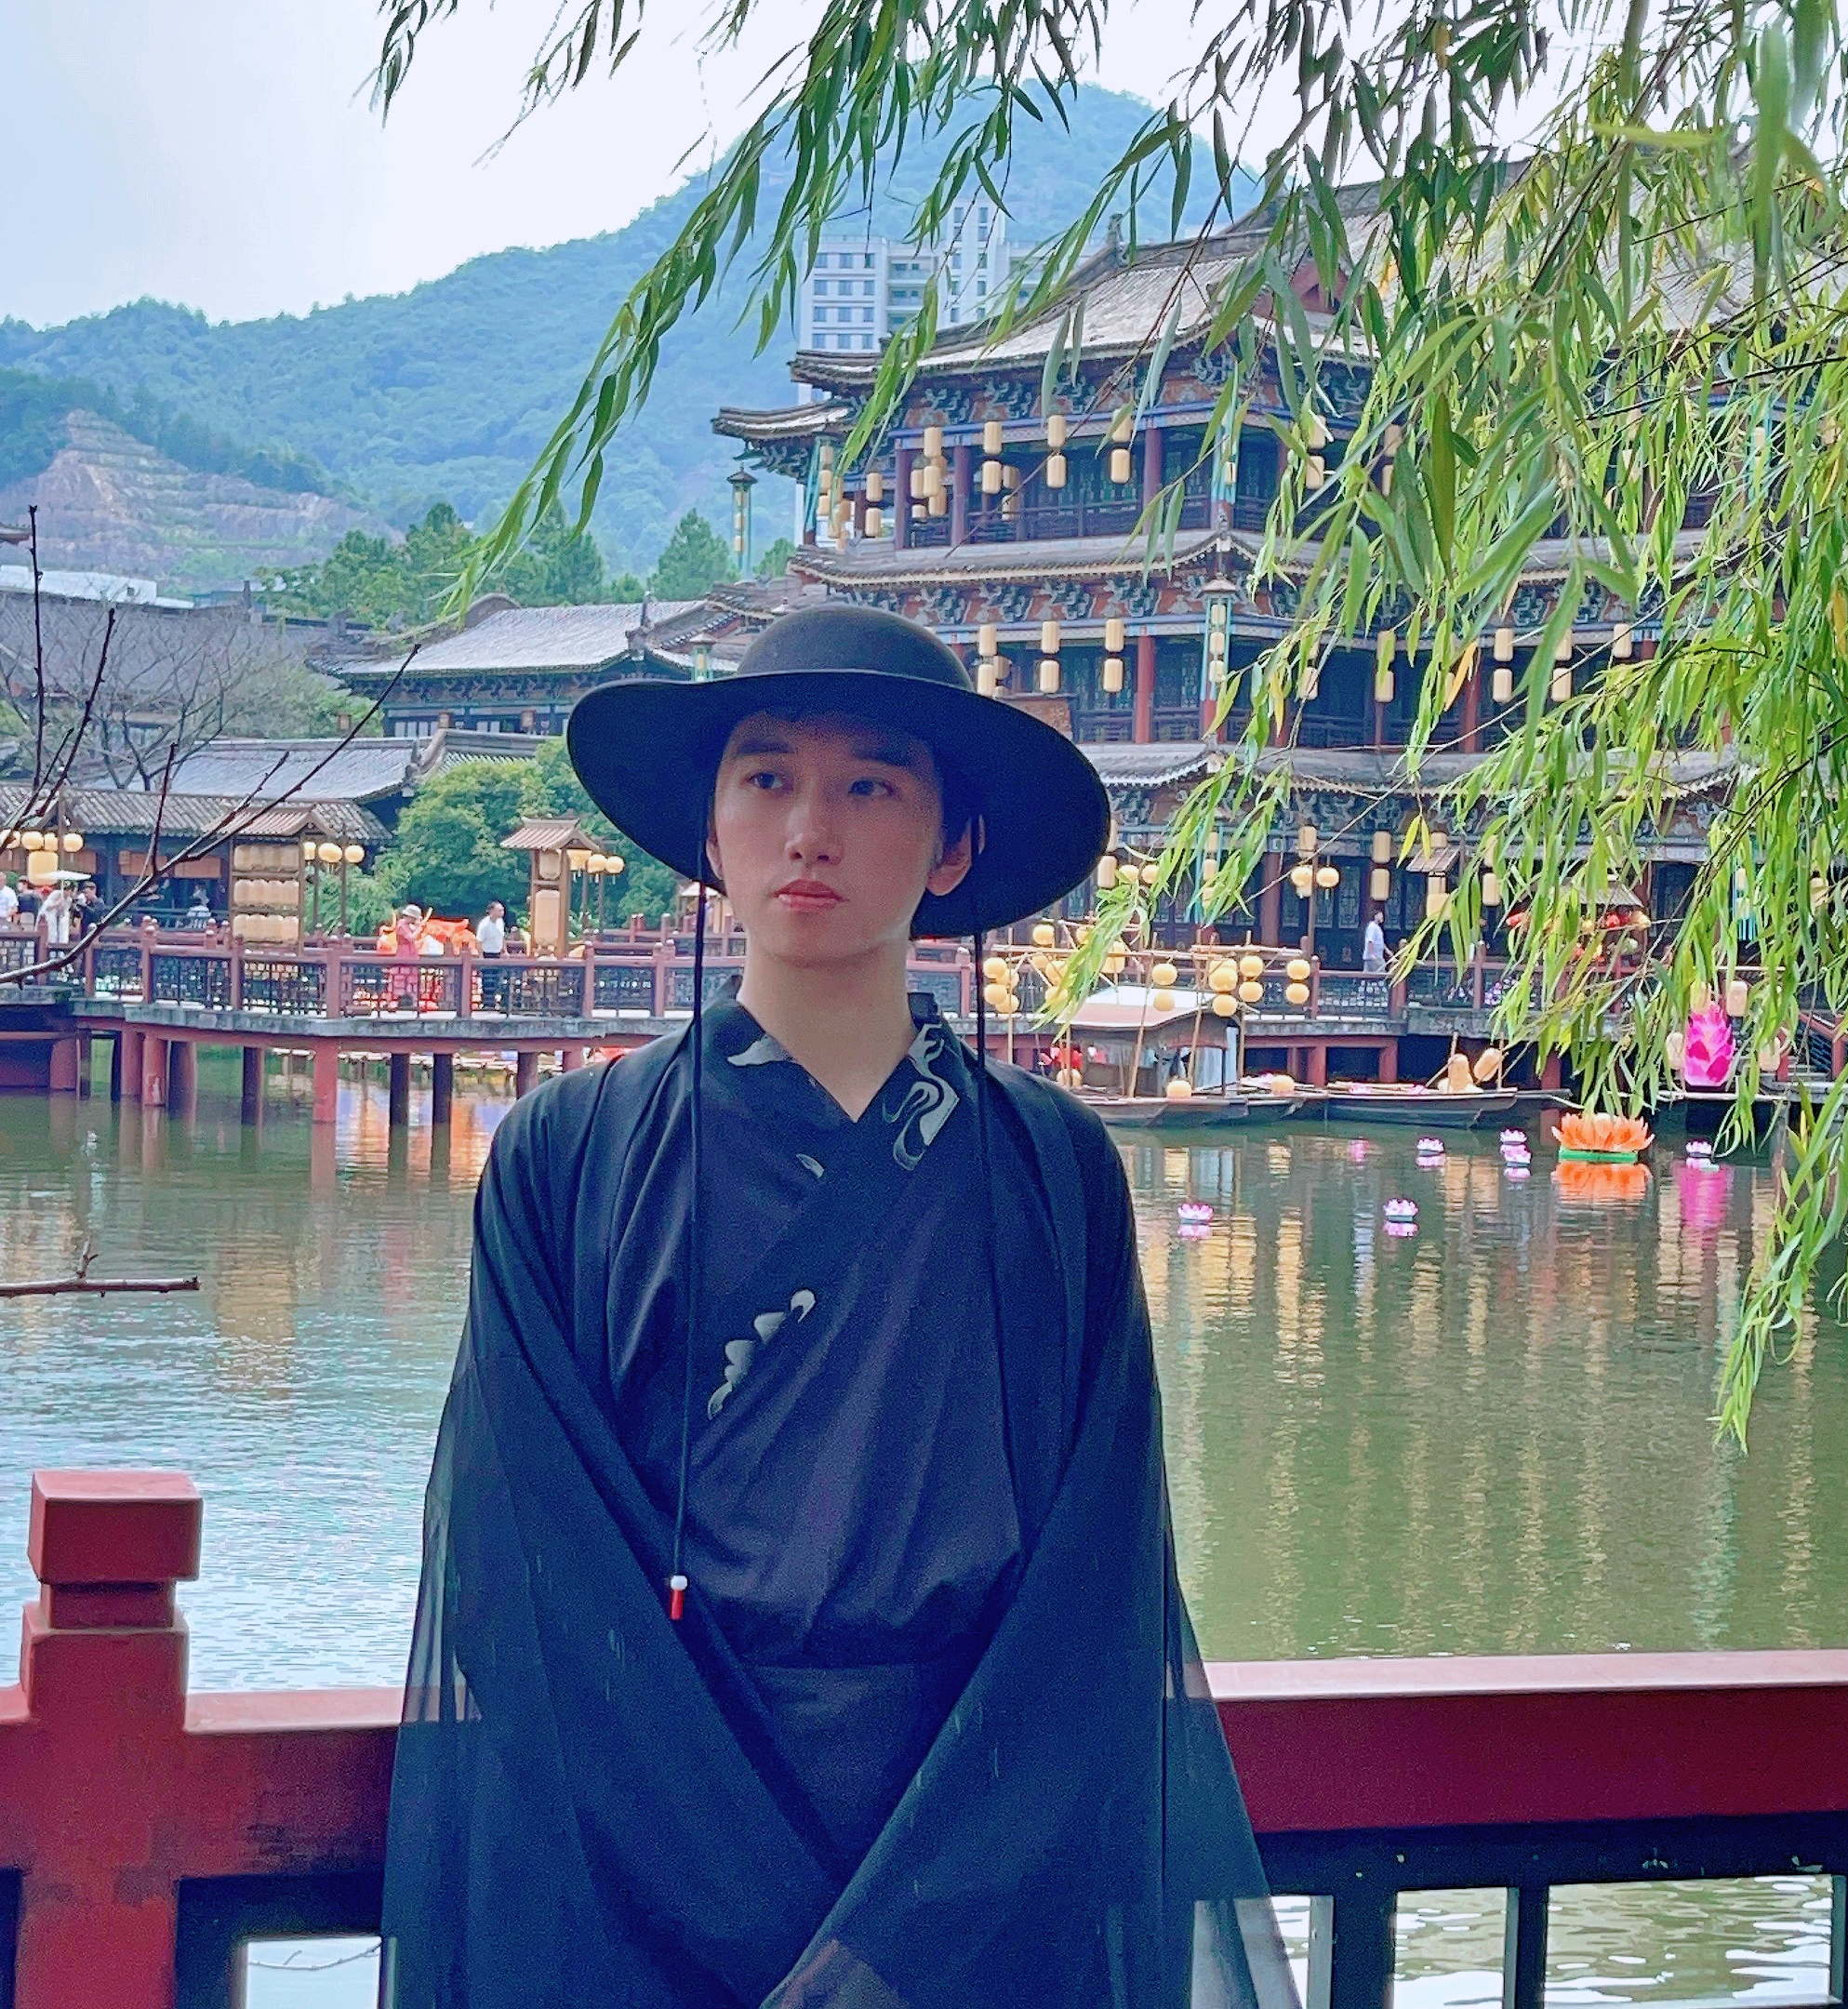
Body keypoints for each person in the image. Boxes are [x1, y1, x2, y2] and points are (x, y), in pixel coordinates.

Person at [380, 605, 1289, 2008]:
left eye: (872, 785)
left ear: (957, 845)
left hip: (975, 1895)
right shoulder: (566, 1160)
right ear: (708, 830)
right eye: (766, 778)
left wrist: (896, 1948)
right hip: (642, 1895)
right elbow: (525, 1573)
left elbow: (1094, 1594)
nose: (812, 828)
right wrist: (766, 1940)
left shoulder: (1058, 1178)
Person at [1362, 907, 1389, 975]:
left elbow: (1380, 942)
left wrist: (1387, 950)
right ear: (1375, 916)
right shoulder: (1372, 927)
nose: (1382, 917)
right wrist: (1372, 954)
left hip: (1378, 956)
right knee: (1380, 972)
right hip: (1374, 958)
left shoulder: (1377, 927)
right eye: (1380, 915)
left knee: (1368, 974)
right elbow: (1370, 941)